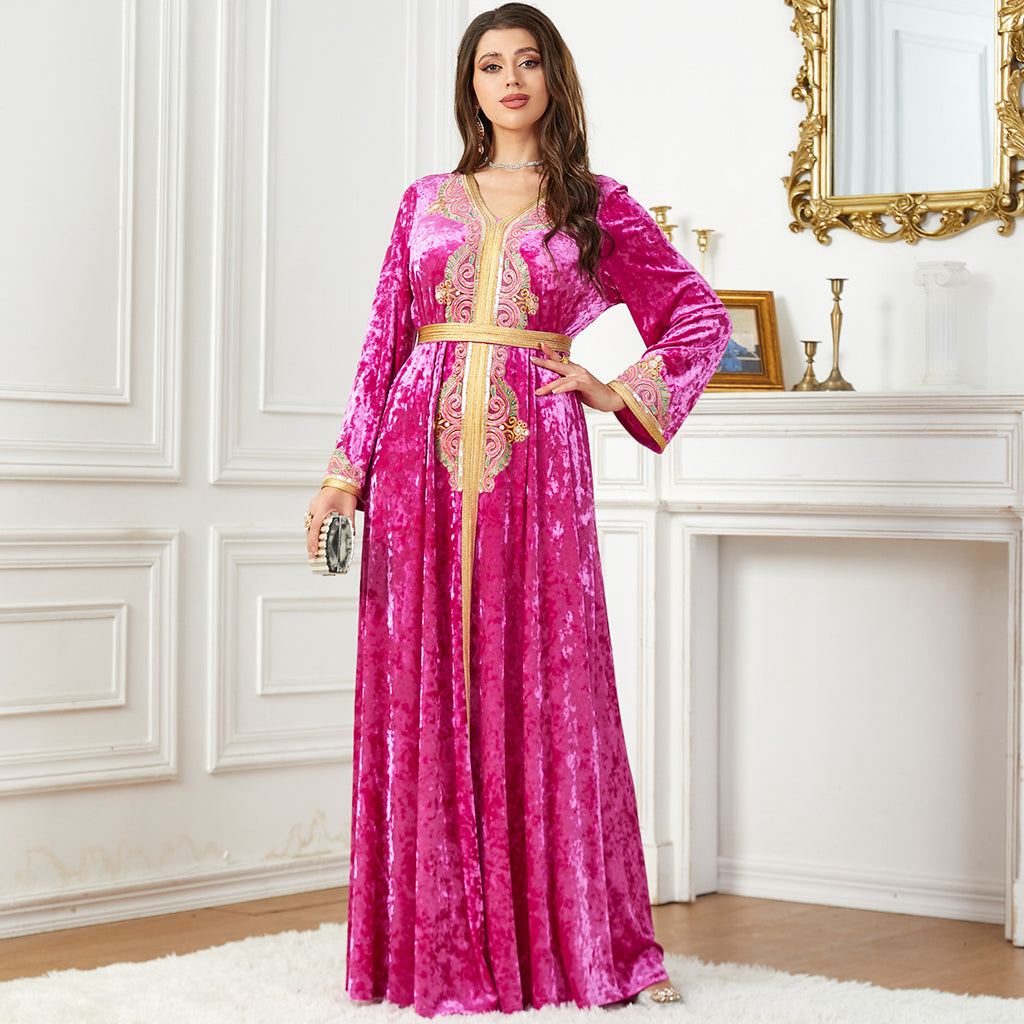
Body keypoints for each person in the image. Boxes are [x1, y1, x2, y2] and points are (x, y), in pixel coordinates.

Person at [306, 4, 731, 1015]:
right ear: (470, 85)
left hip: (536, 467)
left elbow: (698, 315)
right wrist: (343, 473)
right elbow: (383, 343)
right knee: (423, 684)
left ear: (552, 77)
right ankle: (434, 947)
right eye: (490, 64)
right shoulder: (423, 201)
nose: (509, 79)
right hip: (414, 462)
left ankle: (562, 940)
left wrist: (614, 388)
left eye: (527, 61)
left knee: (541, 679)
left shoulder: (595, 204)